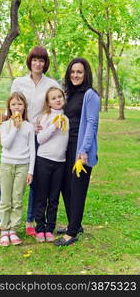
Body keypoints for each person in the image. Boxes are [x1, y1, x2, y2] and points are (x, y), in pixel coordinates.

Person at [0, 46, 61, 237]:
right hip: (17, 133)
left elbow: (56, 104)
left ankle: (30, 221)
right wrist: (4, 121)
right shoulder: (19, 82)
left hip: (38, 138)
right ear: (30, 61)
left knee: (33, 180)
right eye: (34, 60)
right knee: (4, 183)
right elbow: (11, 105)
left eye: (41, 60)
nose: (38, 63)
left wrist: (45, 122)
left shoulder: (51, 83)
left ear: (45, 63)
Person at [54, 57, 100, 246]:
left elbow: (91, 123)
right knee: (66, 187)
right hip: (66, 147)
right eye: (73, 72)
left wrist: (84, 149)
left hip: (81, 150)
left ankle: (72, 232)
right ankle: (75, 224)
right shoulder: (69, 93)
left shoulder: (91, 95)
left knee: (77, 190)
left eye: (79, 72)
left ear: (86, 74)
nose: (75, 75)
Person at [0, 92, 35, 246]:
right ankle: (4, 229)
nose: (17, 107)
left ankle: (13, 229)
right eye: (13, 104)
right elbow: (6, 144)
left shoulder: (29, 127)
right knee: (5, 199)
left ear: (24, 106)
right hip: (7, 165)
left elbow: (32, 150)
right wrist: (14, 127)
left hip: (23, 166)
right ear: (9, 107)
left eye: (20, 104)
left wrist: (30, 171)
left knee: (17, 199)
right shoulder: (5, 125)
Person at [34, 87, 69, 243]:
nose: (57, 100)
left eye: (59, 97)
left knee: (54, 198)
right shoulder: (46, 117)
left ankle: (50, 228)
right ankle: (40, 228)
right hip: (44, 160)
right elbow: (40, 139)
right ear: (48, 103)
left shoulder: (66, 119)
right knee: (42, 196)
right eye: (53, 98)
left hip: (60, 163)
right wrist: (54, 126)